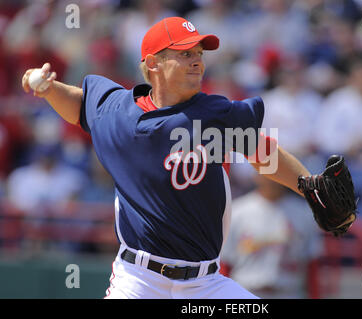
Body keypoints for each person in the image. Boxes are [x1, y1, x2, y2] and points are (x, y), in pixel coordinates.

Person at [21, 16, 319, 299]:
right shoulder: (118, 113)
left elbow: (262, 153)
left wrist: (310, 187)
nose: (197, 61)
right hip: (139, 280)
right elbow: (81, 106)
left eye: (199, 53)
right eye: (185, 53)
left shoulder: (213, 115)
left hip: (205, 285)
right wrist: (49, 89)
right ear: (153, 63)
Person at [220, 174, 323, 299]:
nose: (272, 179)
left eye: (277, 173)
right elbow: (225, 264)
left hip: (288, 292)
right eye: (267, 174)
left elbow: (311, 265)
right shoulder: (237, 211)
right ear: (256, 175)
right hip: (246, 291)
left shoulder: (304, 213)